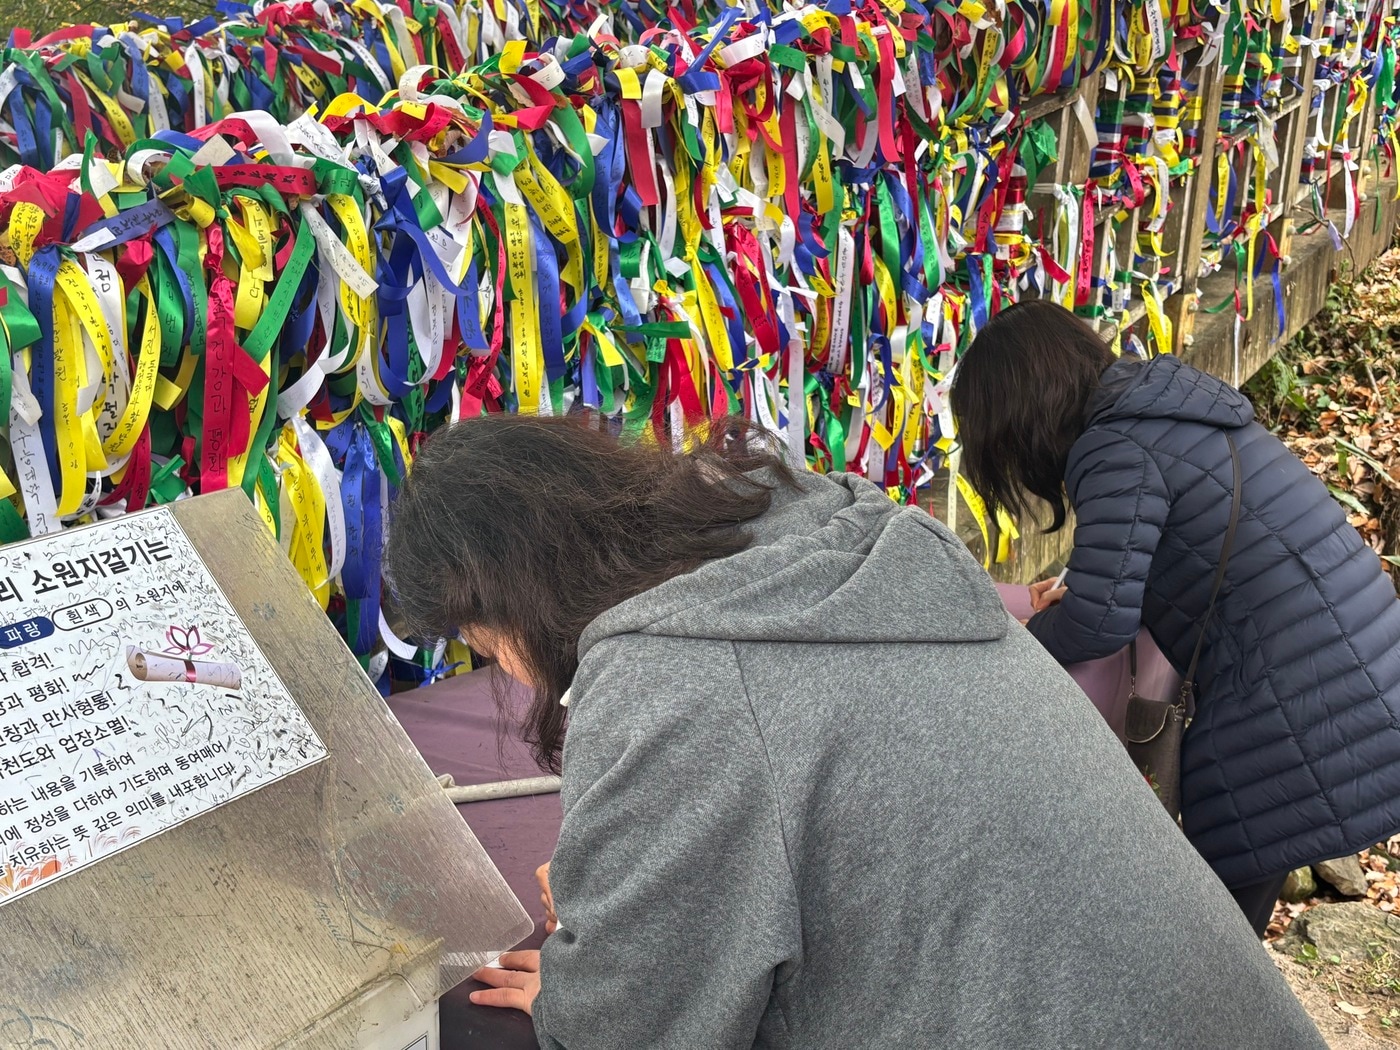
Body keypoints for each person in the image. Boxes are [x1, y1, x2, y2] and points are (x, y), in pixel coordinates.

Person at [383, 415, 1324, 1049]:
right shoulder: (818, 543)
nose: (502, 670)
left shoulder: (675, 676)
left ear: (510, 599)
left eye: (480, 642)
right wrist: (641, 890)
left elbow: (633, 1029)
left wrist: (584, 981)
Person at [950, 299, 1400, 938]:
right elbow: (1177, 549)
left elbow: (1100, 622)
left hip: (1298, 705)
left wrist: (1021, 637)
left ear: (1019, 414)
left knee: (1204, 946)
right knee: (1221, 938)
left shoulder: (1113, 446)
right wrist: (1076, 585)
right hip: (1361, 672)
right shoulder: (1168, 412)